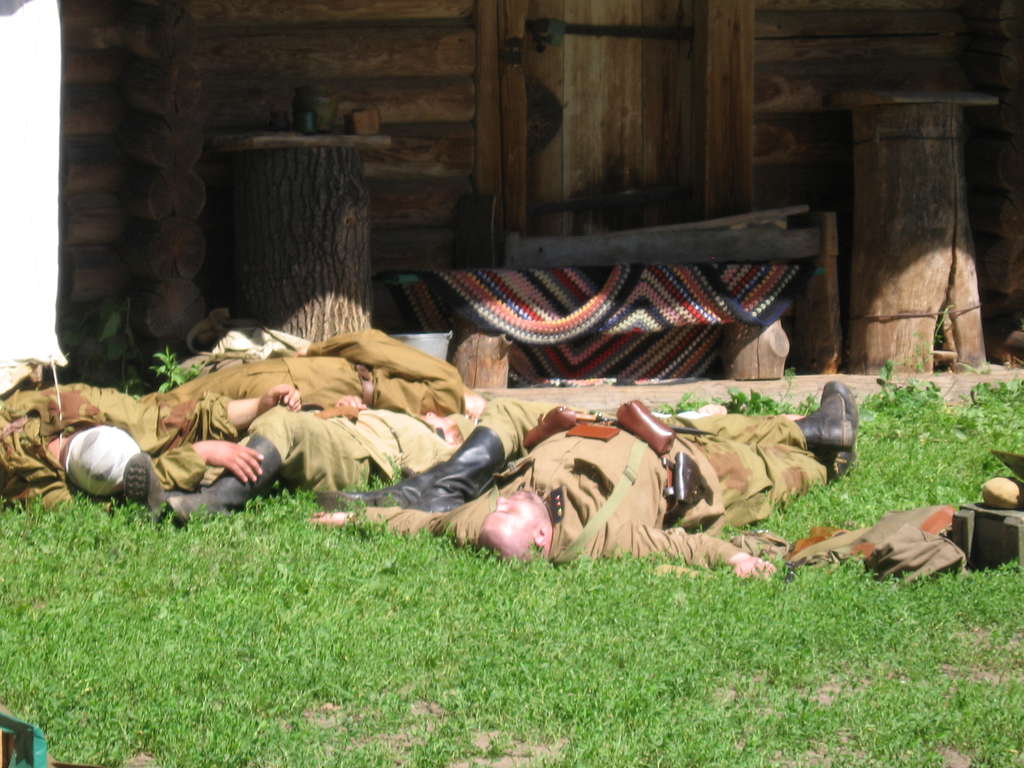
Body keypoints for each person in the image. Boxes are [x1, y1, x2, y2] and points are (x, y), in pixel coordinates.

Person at [311, 382, 860, 578]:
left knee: (716, 424)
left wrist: (352, 518)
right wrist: (736, 558)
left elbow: (419, 523)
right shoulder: (602, 538)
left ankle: (817, 427)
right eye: (510, 510)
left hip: (628, 430)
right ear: (541, 538)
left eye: (500, 507)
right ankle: (828, 458)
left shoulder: (487, 522)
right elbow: (683, 547)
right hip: (686, 469)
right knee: (767, 469)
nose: (502, 503)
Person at [124, 396, 563, 524]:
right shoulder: (411, 414)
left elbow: (513, 430)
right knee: (274, 429)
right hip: (341, 430)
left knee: (283, 425)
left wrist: (537, 430)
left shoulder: (467, 446)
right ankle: (171, 489)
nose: (437, 415)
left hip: (366, 455)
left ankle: (214, 502)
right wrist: (344, 407)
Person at [0, 381, 300, 508]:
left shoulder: (82, 404)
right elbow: (131, 492)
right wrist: (199, 454)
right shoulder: (44, 491)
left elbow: (167, 421)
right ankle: (217, 498)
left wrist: (259, 404)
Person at [149, 328, 485, 419]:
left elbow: (372, 345)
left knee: (183, 400)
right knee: (207, 414)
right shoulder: (443, 431)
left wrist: (315, 349)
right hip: (328, 404)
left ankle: (131, 418)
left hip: (321, 379)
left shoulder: (449, 381)